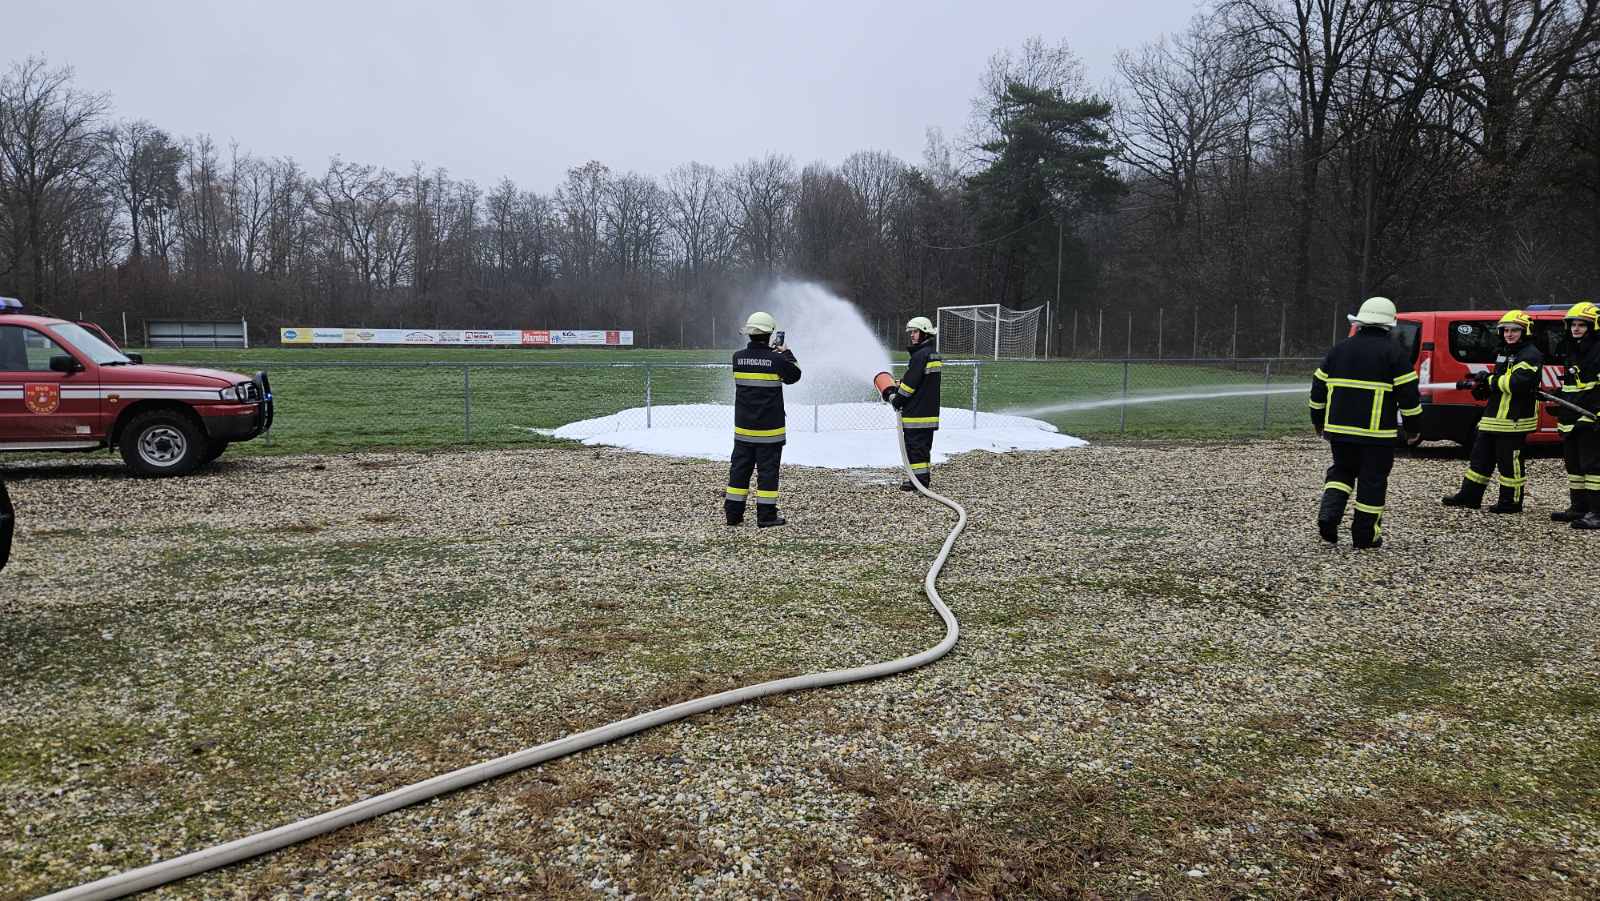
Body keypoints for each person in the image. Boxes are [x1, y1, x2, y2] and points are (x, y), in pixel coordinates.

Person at [1309, 297, 1422, 549]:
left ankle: (1329, 515)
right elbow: (1409, 397)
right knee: (1372, 480)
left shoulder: (1338, 349)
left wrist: (1318, 422)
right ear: (1389, 324)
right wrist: (1413, 428)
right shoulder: (1395, 353)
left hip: (1338, 432)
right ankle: (1364, 536)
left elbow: (1317, 390)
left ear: (1360, 322)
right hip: (1376, 435)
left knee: (1342, 471)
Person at [1442, 309, 1543, 514]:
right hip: (1494, 415)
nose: (1509, 334)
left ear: (1525, 332)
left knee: (1509, 464)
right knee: (1480, 458)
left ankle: (1510, 502)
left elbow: (1517, 383)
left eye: (1515, 330)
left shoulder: (1531, 355)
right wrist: (1485, 386)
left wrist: (1489, 380)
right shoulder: (1504, 352)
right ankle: (1469, 496)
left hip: (1514, 418)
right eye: (1506, 330)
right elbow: (1501, 380)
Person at [725, 311, 801, 528]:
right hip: (769, 432)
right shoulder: (776, 359)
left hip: (744, 430)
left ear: (749, 333)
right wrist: (786, 353)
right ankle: (766, 516)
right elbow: (795, 376)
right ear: (769, 334)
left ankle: (733, 515)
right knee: (767, 474)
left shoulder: (737, 358)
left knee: (739, 471)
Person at [1552, 301, 1600, 529]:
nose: (1576, 329)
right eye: (1573, 324)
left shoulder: (1597, 350)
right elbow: (1574, 387)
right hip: (1571, 417)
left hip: (1590, 418)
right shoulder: (1574, 350)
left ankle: (1597, 512)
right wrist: (1556, 396)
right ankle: (1579, 508)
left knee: (1593, 469)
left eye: (1582, 325)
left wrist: (1594, 414)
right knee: (1574, 468)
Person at [882, 316, 942, 491]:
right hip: (928, 413)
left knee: (915, 449)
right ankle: (921, 479)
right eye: (912, 332)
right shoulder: (932, 353)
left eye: (915, 332)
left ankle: (919, 483)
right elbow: (921, 382)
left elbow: (909, 387)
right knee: (922, 449)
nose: (912, 336)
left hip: (917, 414)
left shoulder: (920, 356)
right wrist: (902, 384)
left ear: (924, 333)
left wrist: (895, 397)